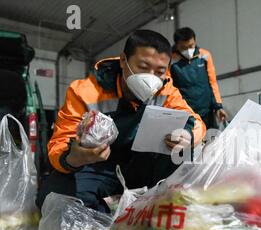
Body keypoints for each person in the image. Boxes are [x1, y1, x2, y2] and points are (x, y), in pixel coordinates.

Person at [36, 30, 206, 213]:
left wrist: (188, 135)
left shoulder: (167, 91)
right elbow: (59, 144)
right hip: (99, 164)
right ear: (123, 60)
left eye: (160, 71)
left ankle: (158, 208)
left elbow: (195, 121)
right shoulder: (84, 92)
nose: (151, 78)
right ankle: (104, 215)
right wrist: (75, 157)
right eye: (143, 66)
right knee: (54, 197)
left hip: (143, 165)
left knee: (187, 155)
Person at [170, 27, 228, 129]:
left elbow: (212, 82)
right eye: (183, 47)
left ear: (195, 41)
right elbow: (169, 88)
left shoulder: (205, 55)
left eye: (191, 46)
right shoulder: (171, 60)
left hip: (207, 112)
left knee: (211, 140)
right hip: (185, 113)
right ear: (176, 45)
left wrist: (218, 107)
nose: (188, 50)